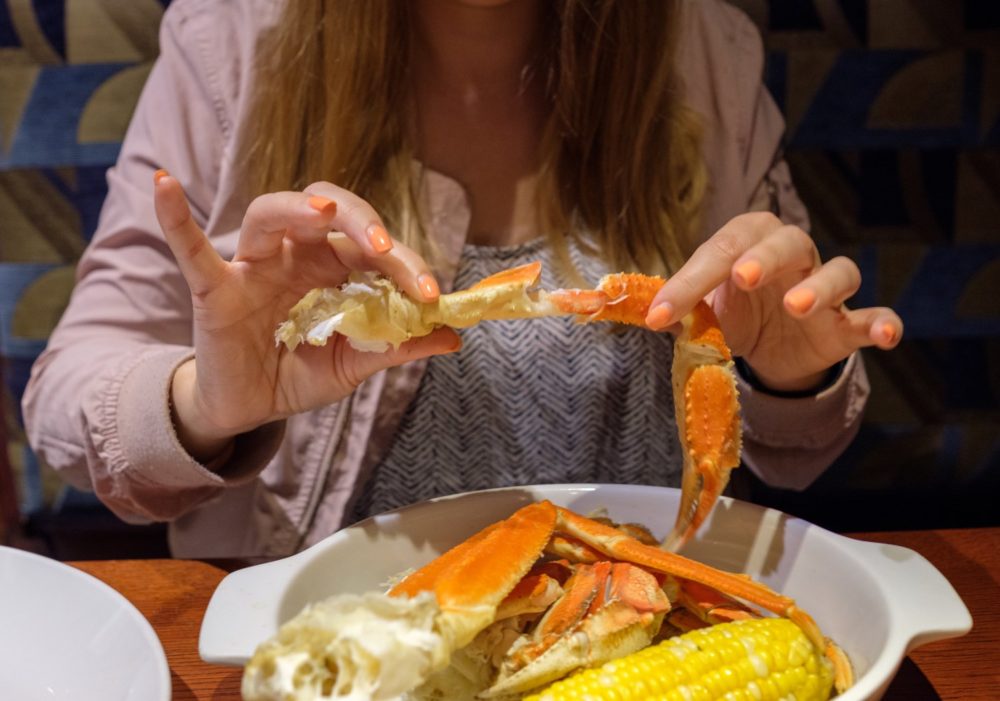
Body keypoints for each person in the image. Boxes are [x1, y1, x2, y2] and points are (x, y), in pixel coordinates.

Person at [23, 0, 901, 558]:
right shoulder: (228, 43)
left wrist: (790, 373)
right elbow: (66, 404)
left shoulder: (709, 48)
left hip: (643, 606)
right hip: (353, 630)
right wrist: (205, 400)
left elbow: (802, 447)